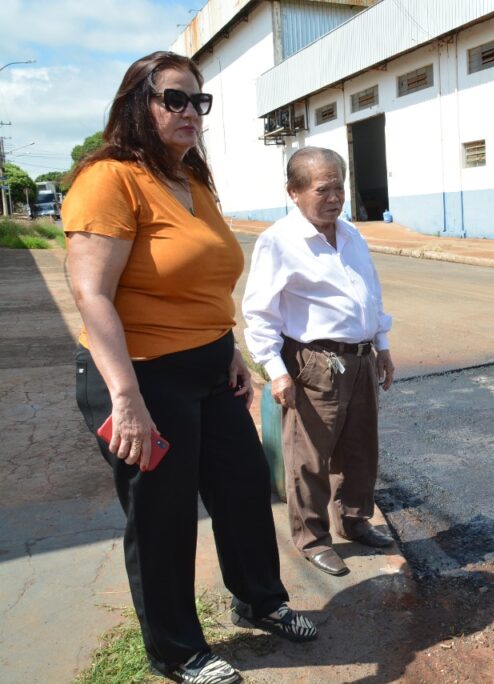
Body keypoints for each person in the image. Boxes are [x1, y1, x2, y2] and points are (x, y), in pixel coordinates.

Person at [63, 51, 316, 684]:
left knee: (242, 490)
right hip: (139, 376)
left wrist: (226, 346)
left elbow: (201, 282)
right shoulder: (109, 178)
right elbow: (92, 294)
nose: (189, 113)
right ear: (137, 106)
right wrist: (125, 398)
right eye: (172, 99)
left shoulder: (191, 180)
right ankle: (177, 651)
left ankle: (260, 600)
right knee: (163, 517)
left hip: (207, 368)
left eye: (197, 102)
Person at [242, 147, 396, 578]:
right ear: (293, 191)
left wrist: (381, 346)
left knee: (360, 446)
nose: (335, 197)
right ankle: (312, 539)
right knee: (308, 455)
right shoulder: (279, 241)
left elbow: (371, 292)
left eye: (339, 187)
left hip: (360, 357)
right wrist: (275, 371)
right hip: (314, 362)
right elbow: (259, 313)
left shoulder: (350, 234)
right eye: (323, 189)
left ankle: (353, 520)